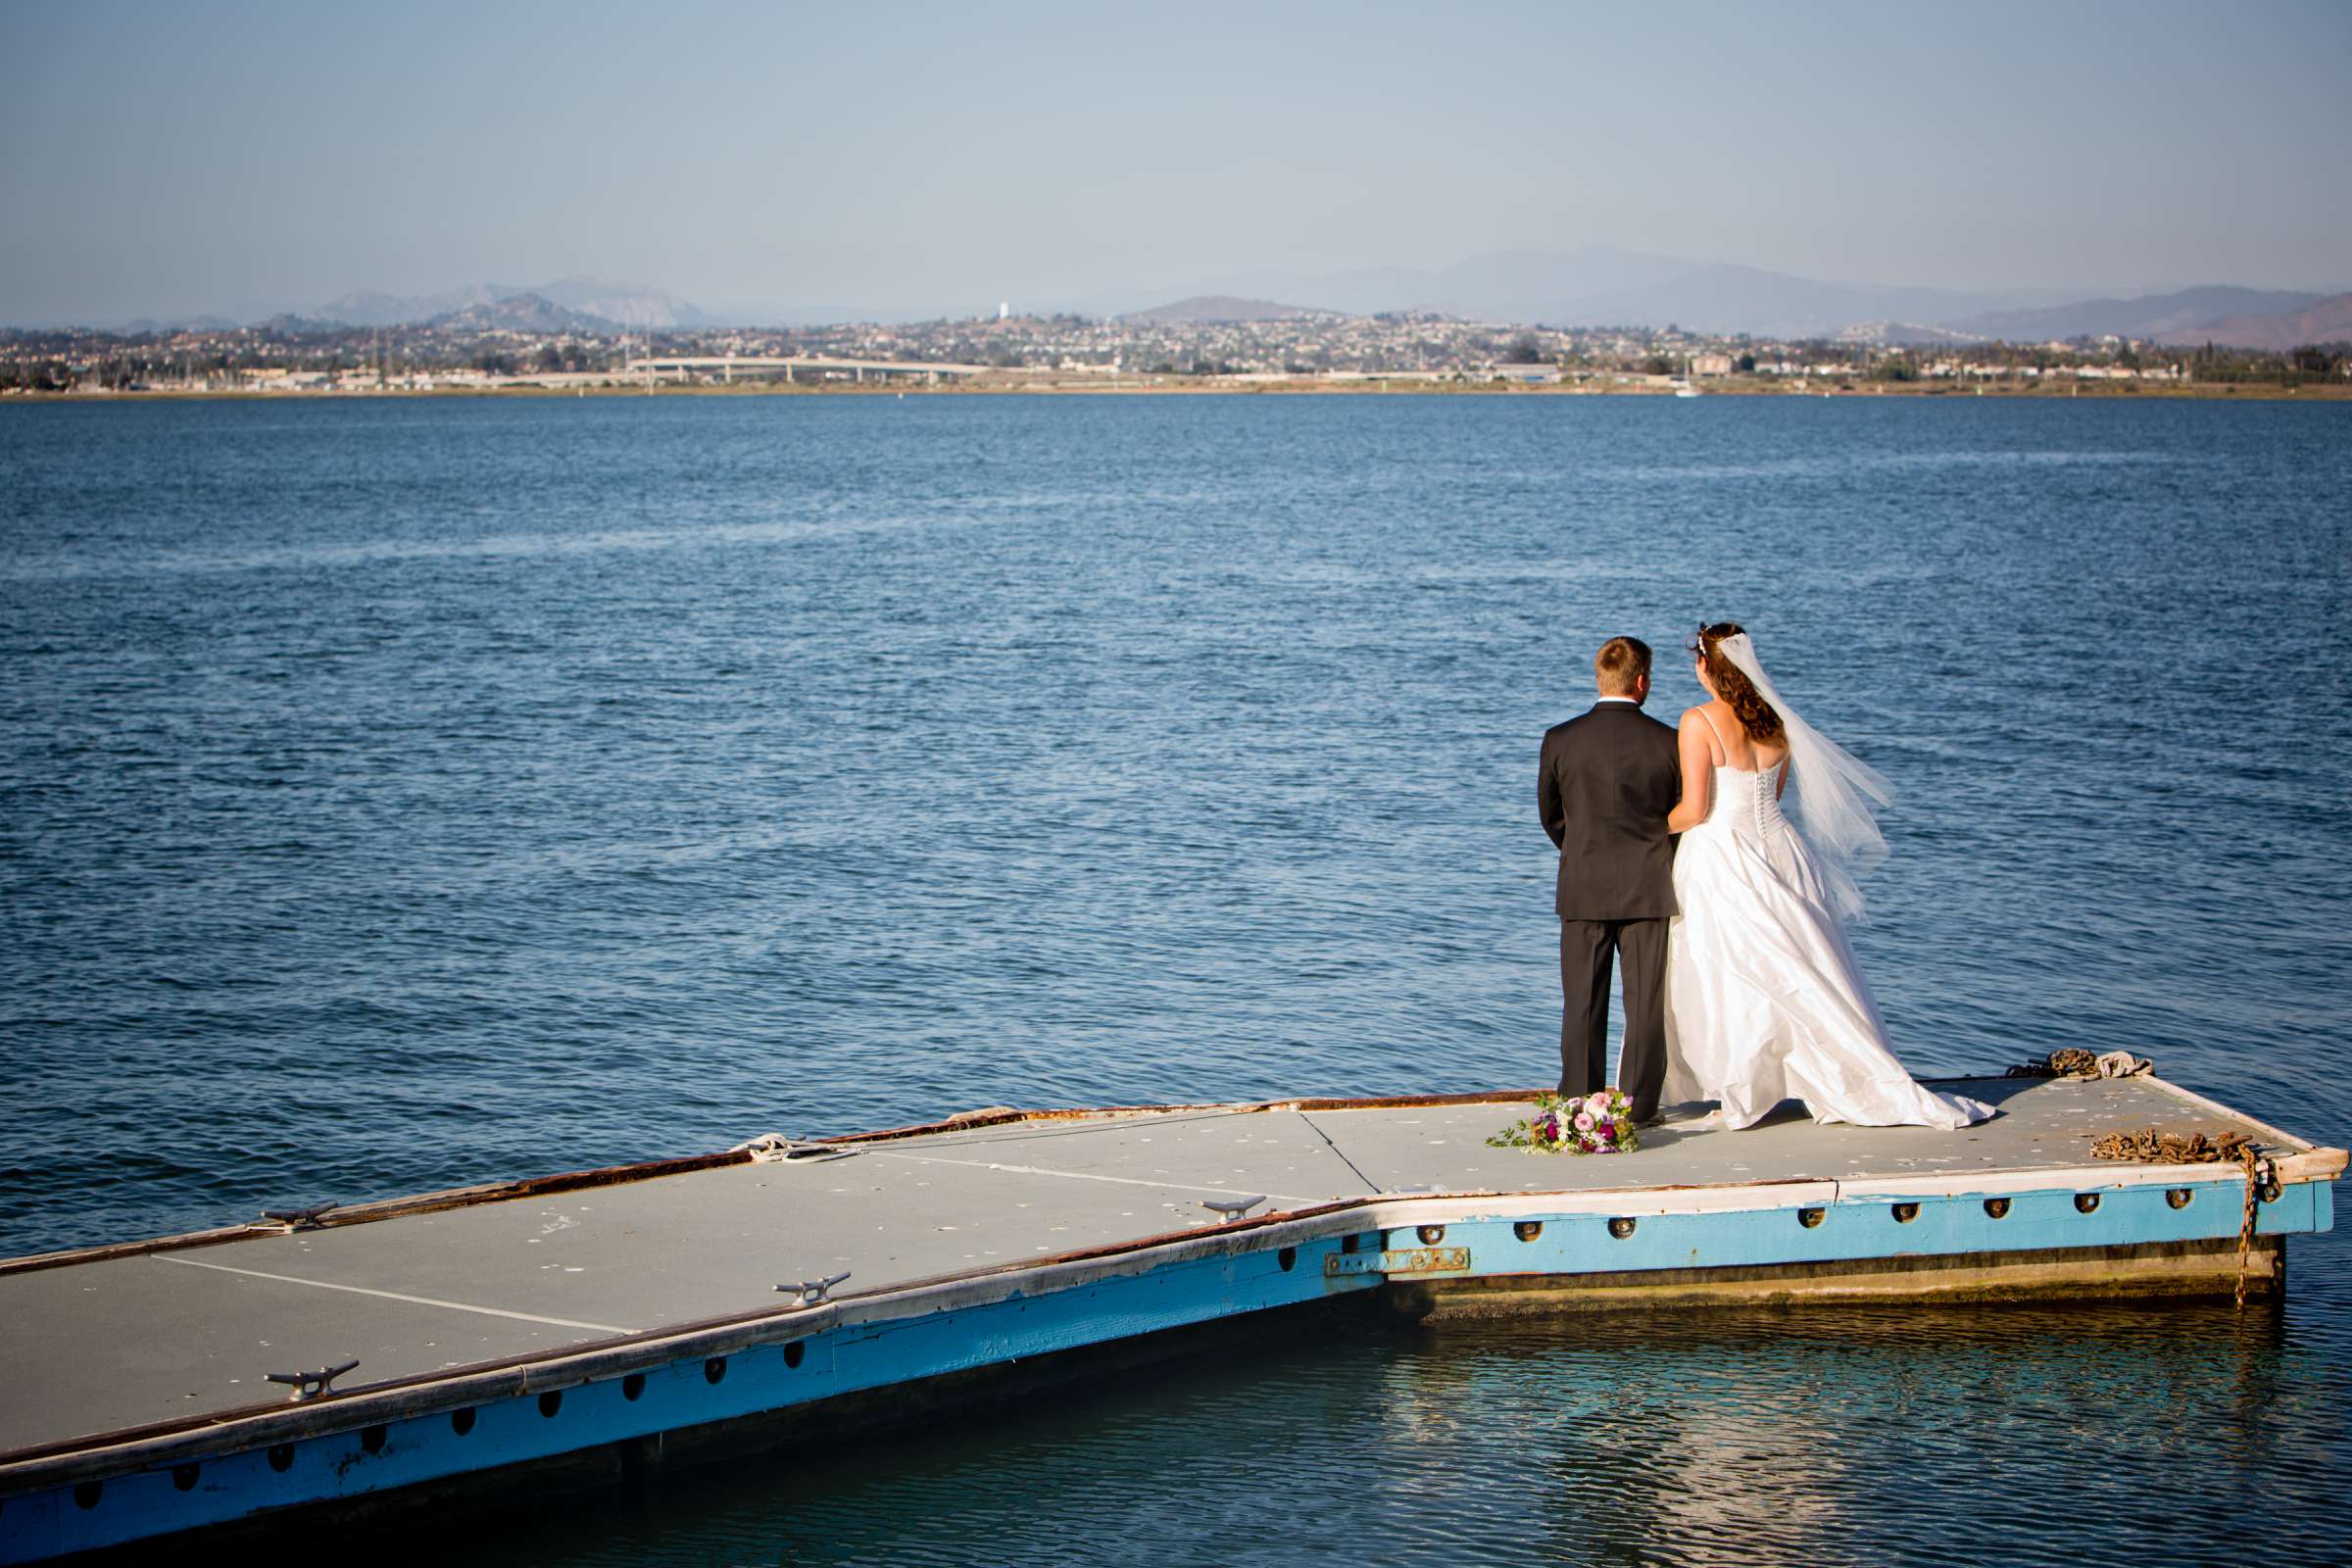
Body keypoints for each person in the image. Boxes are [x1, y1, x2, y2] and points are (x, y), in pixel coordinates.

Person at [1660, 622, 1991, 1130]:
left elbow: (1694, 809)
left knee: (1732, 968)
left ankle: (1746, 1089)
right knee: (1800, 966)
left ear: (1704, 665)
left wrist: (1643, 825)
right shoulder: (1777, 723)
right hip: (1782, 852)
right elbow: (1770, 799)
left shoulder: (1698, 721)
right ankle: (1824, 1074)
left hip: (1722, 856)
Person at [1538, 636, 1682, 1121]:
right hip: (1649, 884)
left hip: (1583, 883)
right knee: (1644, 1006)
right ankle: (1639, 1108)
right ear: (1642, 682)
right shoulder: (1669, 741)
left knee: (1582, 1002)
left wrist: (1581, 851)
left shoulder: (1561, 739)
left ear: (1600, 678)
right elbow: (1679, 817)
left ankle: (1577, 1104)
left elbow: (1551, 816)